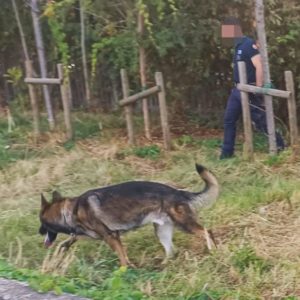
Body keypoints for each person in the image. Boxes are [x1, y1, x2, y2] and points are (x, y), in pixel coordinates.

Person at [219, 17, 284, 159]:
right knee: (229, 120)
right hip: (237, 90)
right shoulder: (237, 47)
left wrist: (259, 87)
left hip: (249, 91)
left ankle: (279, 145)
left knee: (261, 121)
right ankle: (227, 153)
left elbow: (259, 65)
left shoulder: (248, 44)